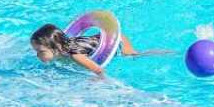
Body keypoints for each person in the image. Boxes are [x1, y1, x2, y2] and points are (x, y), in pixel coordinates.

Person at [29, 22, 168, 77]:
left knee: (132, 55)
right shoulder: (62, 49)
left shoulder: (75, 55)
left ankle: (163, 53)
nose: (37, 55)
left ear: (57, 47)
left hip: (116, 40)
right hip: (100, 37)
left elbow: (99, 70)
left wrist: (98, 81)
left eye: (41, 52)